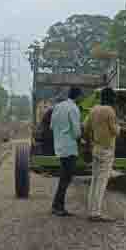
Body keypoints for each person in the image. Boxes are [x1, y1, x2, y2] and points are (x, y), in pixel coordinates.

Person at [83, 87, 120, 222]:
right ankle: (96, 213)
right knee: (102, 182)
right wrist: (120, 126)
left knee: (94, 180)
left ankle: (91, 210)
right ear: (111, 99)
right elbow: (115, 131)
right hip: (107, 150)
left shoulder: (93, 110)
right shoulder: (110, 111)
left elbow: (85, 127)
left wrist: (90, 141)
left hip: (96, 148)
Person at [50, 87, 83, 217]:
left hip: (59, 146)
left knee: (64, 177)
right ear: (78, 96)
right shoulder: (74, 109)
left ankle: (58, 206)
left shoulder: (58, 107)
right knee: (65, 178)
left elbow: (52, 126)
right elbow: (76, 132)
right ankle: (57, 207)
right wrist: (82, 137)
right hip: (69, 148)